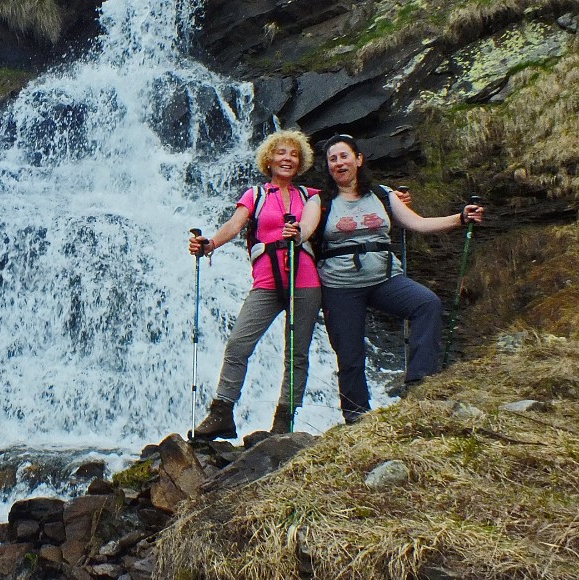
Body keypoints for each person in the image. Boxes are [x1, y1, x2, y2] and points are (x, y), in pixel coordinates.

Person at [300, 133, 485, 423]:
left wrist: (459, 218)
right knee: (349, 356)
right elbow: (304, 230)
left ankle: (419, 382)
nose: (339, 162)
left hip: (385, 279)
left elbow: (419, 224)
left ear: (359, 159)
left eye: (344, 156)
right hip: (340, 287)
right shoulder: (319, 202)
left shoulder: (383, 195)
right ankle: (356, 418)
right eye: (332, 159)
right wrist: (290, 235)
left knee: (427, 303)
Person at [188, 129, 320, 439]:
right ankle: (222, 412)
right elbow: (235, 225)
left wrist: (298, 234)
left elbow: (311, 224)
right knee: (238, 345)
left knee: (296, 354)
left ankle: (284, 420)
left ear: (300, 162)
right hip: (266, 283)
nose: (287, 158)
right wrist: (209, 245)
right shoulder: (256, 195)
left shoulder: (309, 196)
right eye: (281, 153)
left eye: (294, 154)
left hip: (305, 281)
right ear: (269, 159)